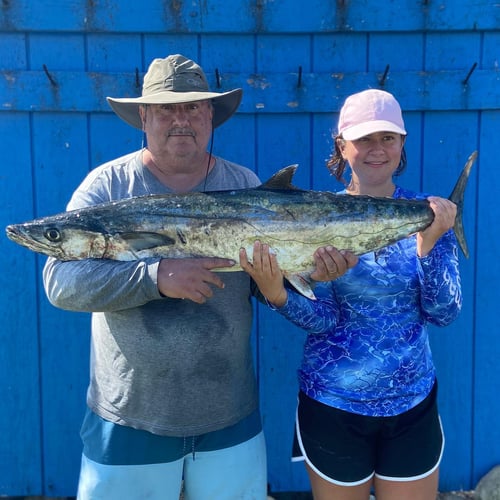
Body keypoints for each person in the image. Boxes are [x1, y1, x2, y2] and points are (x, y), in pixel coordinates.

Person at [44, 53, 272, 500]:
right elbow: (61, 282)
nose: (180, 119)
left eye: (192, 107)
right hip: (130, 417)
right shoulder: (107, 187)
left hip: (228, 413)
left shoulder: (245, 183)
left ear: (210, 115)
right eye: (167, 108)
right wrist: (156, 277)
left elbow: (264, 284)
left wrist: (297, 276)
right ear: (143, 117)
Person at [240, 89, 462, 500]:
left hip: (411, 403)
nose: (377, 150)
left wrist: (429, 245)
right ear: (342, 147)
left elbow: (444, 312)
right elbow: (325, 321)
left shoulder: (427, 212)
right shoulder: (312, 216)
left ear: (402, 144)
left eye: (388, 138)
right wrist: (277, 294)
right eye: (364, 139)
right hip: (332, 404)